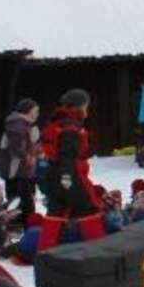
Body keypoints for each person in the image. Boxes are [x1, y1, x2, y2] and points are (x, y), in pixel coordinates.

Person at [40, 89, 101, 219]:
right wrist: (66, 177)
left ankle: (49, 239)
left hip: (53, 176)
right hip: (71, 177)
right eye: (86, 107)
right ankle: (96, 238)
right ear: (78, 107)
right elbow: (67, 155)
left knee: (55, 214)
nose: (87, 112)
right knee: (89, 209)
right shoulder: (71, 128)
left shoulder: (58, 122)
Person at [0, 99, 41, 219]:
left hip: (22, 172)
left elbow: (28, 145)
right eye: (36, 111)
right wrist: (28, 156)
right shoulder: (17, 125)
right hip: (16, 172)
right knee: (22, 204)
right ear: (28, 111)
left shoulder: (24, 125)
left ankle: (26, 227)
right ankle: (23, 229)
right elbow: (16, 148)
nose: (37, 114)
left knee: (24, 203)